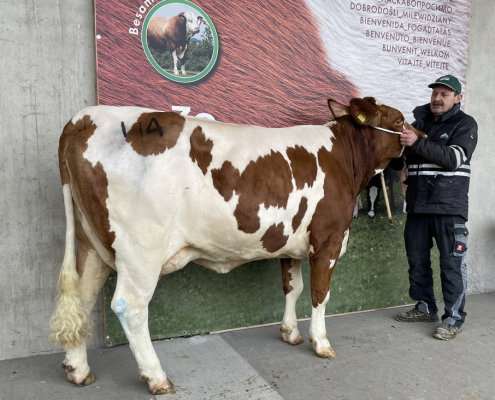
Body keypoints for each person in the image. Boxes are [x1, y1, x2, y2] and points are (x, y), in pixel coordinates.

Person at [393, 75, 478, 340]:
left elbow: (453, 158)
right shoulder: (419, 123)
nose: (437, 99)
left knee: (451, 266)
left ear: (457, 98)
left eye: (444, 94)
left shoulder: (465, 124)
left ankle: (452, 319)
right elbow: (404, 163)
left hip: (448, 209)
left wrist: (416, 142)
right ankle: (424, 307)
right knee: (417, 262)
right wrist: (395, 156)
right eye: (435, 94)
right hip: (418, 207)